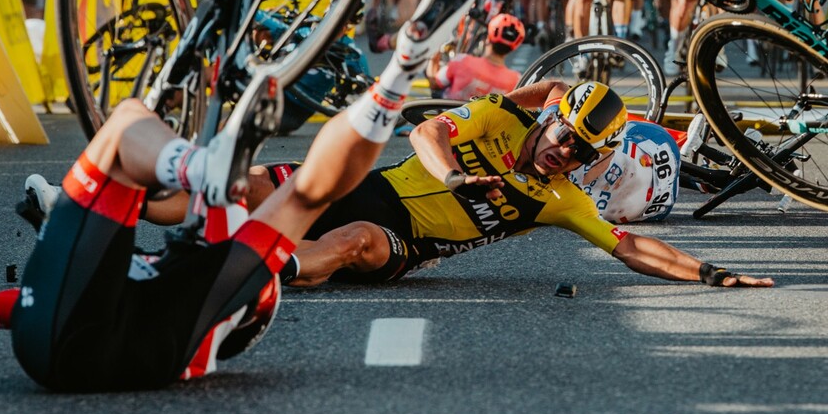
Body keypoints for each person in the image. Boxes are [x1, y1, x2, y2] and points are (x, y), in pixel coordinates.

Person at [0, 0, 481, 391]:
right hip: (78, 353)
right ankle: (397, 73)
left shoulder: (215, 298)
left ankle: (207, 162)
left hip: (88, 344)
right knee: (271, 186)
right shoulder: (205, 302)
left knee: (269, 182)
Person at [240, 81, 770, 288]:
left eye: (580, 153)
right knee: (251, 184)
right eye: (564, 135)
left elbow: (629, 247)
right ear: (551, 117)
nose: (564, 152)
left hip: (401, 245)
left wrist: (711, 273)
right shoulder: (496, 115)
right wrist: (454, 177)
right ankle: (165, 204)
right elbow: (426, 130)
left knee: (354, 237)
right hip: (369, 189)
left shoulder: (563, 200)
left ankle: (249, 272)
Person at [426, 12, 524, 99]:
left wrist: (433, 57)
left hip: (452, 116)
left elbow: (434, 83)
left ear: (488, 38)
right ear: (513, 48)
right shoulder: (516, 81)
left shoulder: (461, 61)